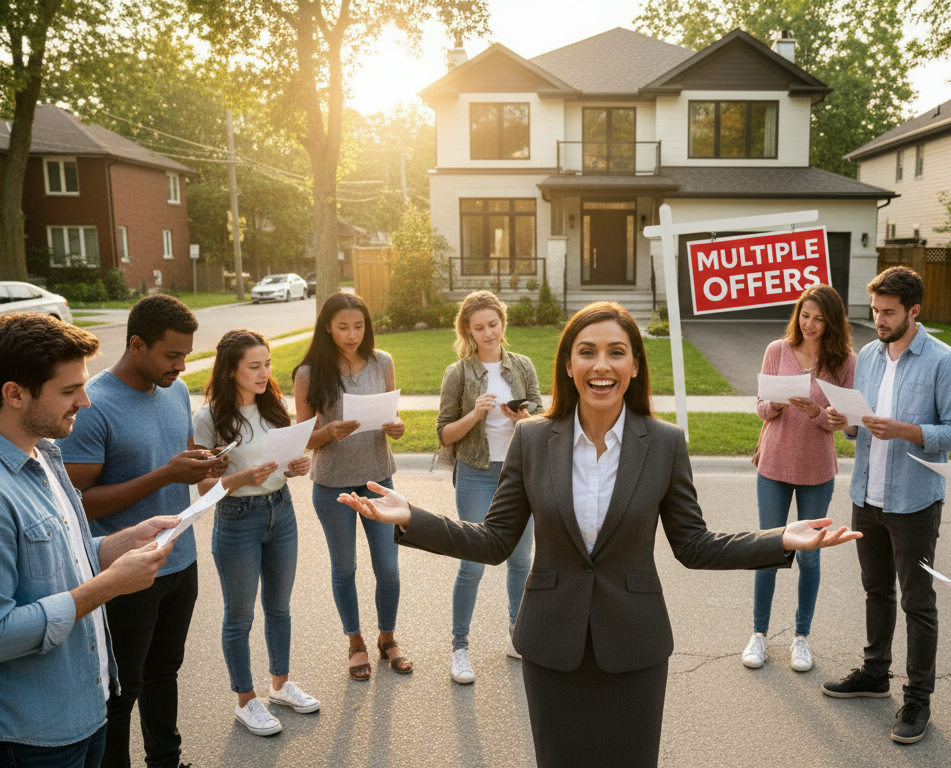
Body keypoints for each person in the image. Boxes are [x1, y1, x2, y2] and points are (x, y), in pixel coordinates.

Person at [338, 301, 862, 768]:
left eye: (616, 352)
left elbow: (694, 544)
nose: (601, 364)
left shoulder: (664, 443)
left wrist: (780, 540)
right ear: (569, 365)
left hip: (634, 646)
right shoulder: (533, 439)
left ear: (634, 366)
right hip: (551, 645)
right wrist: (413, 516)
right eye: (587, 352)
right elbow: (495, 540)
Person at [0, 313, 179, 766]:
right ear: (14, 393)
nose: (87, 401)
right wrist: (111, 584)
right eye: (68, 391)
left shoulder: (41, 453)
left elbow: (54, 564)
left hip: (82, 708)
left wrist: (119, 544)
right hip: (27, 737)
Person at [61, 294, 224, 768]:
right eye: (172, 355)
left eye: (186, 355)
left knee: (164, 672)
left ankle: (166, 761)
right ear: (137, 345)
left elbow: (180, 453)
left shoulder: (174, 391)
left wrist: (204, 464)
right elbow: (80, 505)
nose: (181, 366)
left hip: (181, 560)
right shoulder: (94, 405)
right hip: (126, 571)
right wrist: (164, 476)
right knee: (122, 689)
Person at [822, 266, 951, 745]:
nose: (879, 320)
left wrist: (904, 429)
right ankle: (874, 674)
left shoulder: (944, 361)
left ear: (914, 311)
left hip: (914, 502)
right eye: (875, 310)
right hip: (867, 495)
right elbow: (859, 424)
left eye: (888, 312)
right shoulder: (867, 353)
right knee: (875, 590)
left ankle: (918, 699)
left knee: (918, 603)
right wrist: (841, 420)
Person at [191, 330, 319, 736]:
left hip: (280, 511)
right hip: (236, 518)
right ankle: (246, 701)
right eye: (254, 366)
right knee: (240, 616)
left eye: (267, 364)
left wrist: (298, 467)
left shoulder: (274, 407)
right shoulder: (208, 418)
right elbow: (203, 491)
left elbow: (288, 459)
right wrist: (241, 477)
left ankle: (280, 686)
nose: (265, 373)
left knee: (279, 608)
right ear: (231, 371)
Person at [293, 292, 410, 680]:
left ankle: (387, 638)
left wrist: (397, 427)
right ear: (327, 326)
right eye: (343, 327)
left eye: (358, 326)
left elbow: (394, 420)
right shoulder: (309, 373)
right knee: (345, 568)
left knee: (388, 569)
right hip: (332, 486)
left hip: (378, 478)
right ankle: (355, 642)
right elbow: (304, 439)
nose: (352, 334)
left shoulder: (383, 362)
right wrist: (328, 431)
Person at [743, 284, 855, 673]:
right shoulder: (777, 350)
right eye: (805, 315)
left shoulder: (844, 361)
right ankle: (758, 634)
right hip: (774, 466)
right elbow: (760, 407)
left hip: (817, 470)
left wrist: (816, 413)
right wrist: (775, 402)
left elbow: (843, 422)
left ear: (832, 322)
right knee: (769, 552)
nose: (810, 324)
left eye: (819, 318)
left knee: (809, 556)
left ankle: (801, 638)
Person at [436, 291, 544, 684]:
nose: (488, 333)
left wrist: (524, 417)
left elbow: (543, 421)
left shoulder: (523, 366)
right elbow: (445, 434)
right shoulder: (458, 373)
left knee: (520, 561)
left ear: (503, 323)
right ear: (468, 329)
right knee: (473, 562)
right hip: (476, 472)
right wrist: (475, 413)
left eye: (493, 325)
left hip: (519, 473)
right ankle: (460, 648)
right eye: (479, 327)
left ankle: (518, 636)